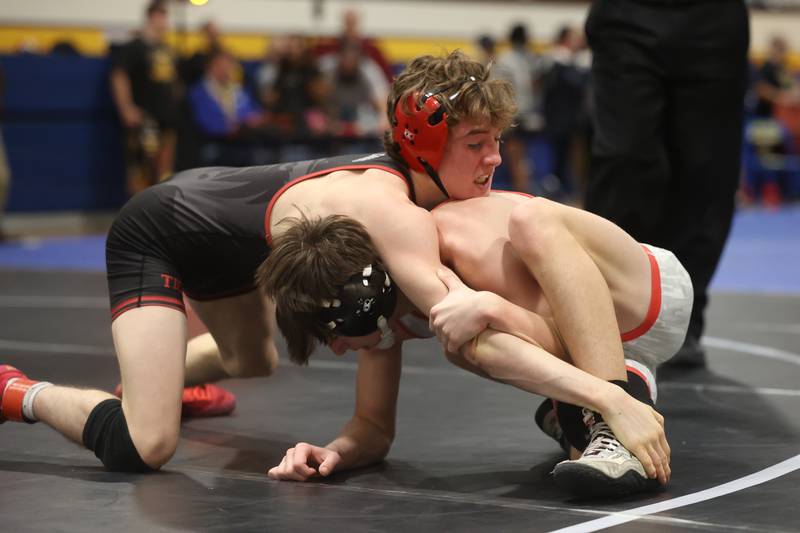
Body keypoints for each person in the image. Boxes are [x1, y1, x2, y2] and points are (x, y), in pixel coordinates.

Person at [0, 51, 666, 496]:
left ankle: (165, 378)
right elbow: (467, 333)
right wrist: (610, 396)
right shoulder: (391, 211)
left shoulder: (411, 198)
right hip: (159, 229)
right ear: (425, 147)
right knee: (145, 443)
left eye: (496, 140)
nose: (496, 159)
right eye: (476, 144)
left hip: (230, 231)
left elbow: (451, 332)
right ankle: (19, 392)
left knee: (252, 358)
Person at [259, 193, 692, 496]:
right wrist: (331, 453)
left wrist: (611, 400)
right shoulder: (392, 308)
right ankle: (620, 388)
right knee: (463, 339)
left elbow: (577, 331)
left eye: (331, 335)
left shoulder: (461, 246)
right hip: (610, 339)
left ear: (359, 302)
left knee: (528, 227)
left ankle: (614, 405)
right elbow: (373, 428)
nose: (336, 349)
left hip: (646, 297)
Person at [582, 0, 750, 368]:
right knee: (625, 157)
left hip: (713, 20)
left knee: (706, 170)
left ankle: (682, 317)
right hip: (627, 14)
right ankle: (605, 306)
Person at [109, 0, 180, 196]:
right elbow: (119, 76)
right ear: (150, 17)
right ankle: (136, 216)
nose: (164, 21)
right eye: (160, 16)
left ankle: (159, 214)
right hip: (144, 117)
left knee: (164, 170)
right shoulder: (134, 47)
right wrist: (126, 108)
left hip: (167, 118)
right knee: (141, 169)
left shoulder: (167, 49)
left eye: (165, 16)